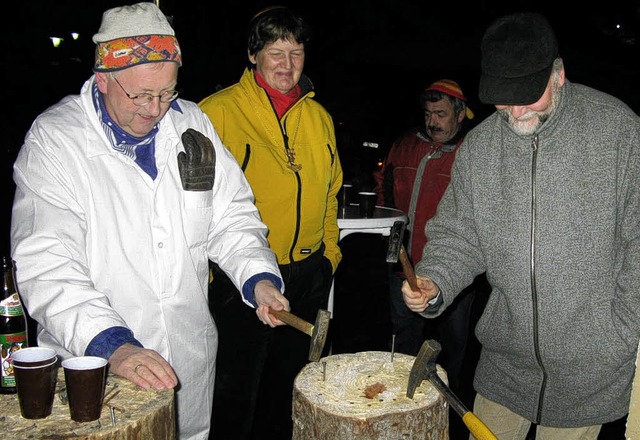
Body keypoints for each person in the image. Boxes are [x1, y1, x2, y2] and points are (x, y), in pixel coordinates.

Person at [10, 3, 289, 440]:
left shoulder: (191, 124)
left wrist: (257, 276)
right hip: (96, 371)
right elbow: (47, 263)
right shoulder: (56, 140)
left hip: (187, 363)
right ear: (103, 79)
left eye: (167, 93)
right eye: (140, 95)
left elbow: (232, 215)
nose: (156, 109)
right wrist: (112, 344)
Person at [402, 11, 640, 440]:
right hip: (503, 368)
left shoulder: (619, 133)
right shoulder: (480, 147)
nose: (513, 110)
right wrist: (435, 279)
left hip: (589, 371)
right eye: (502, 97)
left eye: (526, 95)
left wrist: (617, 335)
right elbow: (458, 233)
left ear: (559, 75)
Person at [198, 6, 343, 440]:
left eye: (296, 52)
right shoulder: (216, 114)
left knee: (290, 393)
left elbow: (331, 194)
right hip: (239, 282)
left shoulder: (319, 118)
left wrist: (328, 258)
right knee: (234, 397)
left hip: (306, 276)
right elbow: (192, 205)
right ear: (252, 55)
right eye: (276, 52)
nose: (287, 64)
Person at [373, 80, 479, 394]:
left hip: (454, 272)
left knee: (452, 342)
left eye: (441, 114)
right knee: (405, 335)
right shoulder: (405, 143)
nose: (432, 121)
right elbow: (384, 187)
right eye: (428, 113)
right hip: (404, 265)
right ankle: (407, 398)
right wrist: (388, 228)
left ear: (460, 115)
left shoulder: (470, 154)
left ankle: (445, 400)